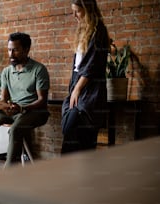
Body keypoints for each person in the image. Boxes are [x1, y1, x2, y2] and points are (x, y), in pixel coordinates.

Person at [0, 32, 50, 168]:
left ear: (26, 49)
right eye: (9, 49)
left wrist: (23, 108)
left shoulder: (39, 70)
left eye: (15, 50)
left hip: (34, 112)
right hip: (11, 110)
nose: (11, 54)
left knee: (16, 129)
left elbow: (42, 100)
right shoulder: (6, 72)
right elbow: (3, 100)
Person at [61, 0, 109, 154]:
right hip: (77, 83)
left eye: (78, 11)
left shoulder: (98, 31)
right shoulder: (83, 31)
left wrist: (77, 89)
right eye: (73, 11)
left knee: (83, 134)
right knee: (72, 133)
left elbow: (92, 65)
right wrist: (73, 89)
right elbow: (77, 67)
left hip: (90, 88)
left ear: (88, 9)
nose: (74, 15)